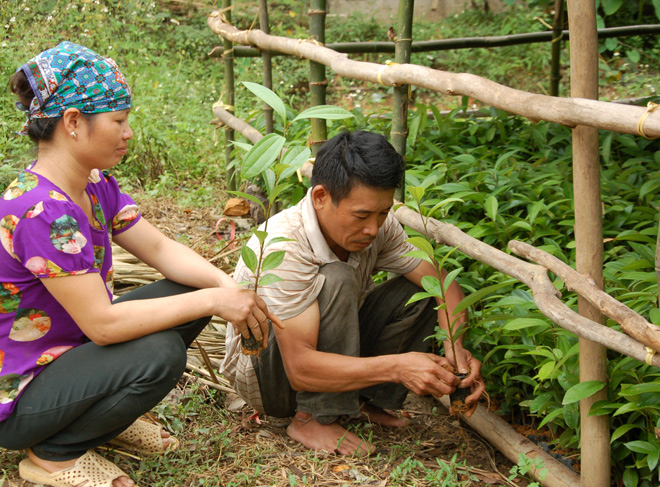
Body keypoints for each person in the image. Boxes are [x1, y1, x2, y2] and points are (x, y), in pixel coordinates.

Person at [0, 41, 280, 487]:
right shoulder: (41, 210)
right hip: (21, 395)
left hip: (67, 362)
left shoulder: (94, 186)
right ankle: (53, 453)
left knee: (192, 292)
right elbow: (104, 326)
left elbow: (162, 250)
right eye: (119, 121)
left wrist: (228, 288)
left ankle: (99, 417)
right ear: (73, 122)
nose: (128, 132)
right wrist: (217, 297)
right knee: (160, 353)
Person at [221, 130, 485, 455]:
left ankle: (358, 402)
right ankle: (310, 418)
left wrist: (454, 348)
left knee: (420, 293)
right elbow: (300, 367)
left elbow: (444, 284)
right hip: (271, 376)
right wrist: (398, 366)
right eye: (361, 215)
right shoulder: (285, 246)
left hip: (320, 357)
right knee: (336, 277)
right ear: (320, 197)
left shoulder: (377, 228)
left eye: (383, 212)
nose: (373, 228)